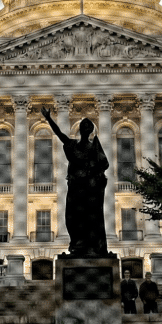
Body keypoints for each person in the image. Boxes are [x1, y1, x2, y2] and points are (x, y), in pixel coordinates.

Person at [40, 106, 109, 257]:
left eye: (87, 127)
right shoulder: (73, 145)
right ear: (80, 129)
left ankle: (90, 246)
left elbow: (104, 165)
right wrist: (49, 119)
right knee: (72, 217)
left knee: (89, 217)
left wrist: (95, 175)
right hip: (75, 188)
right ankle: (77, 244)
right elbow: (59, 134)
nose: (85, 129)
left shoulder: (94, 148)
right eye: (83, 126)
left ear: (90, 130)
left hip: (89, 190)